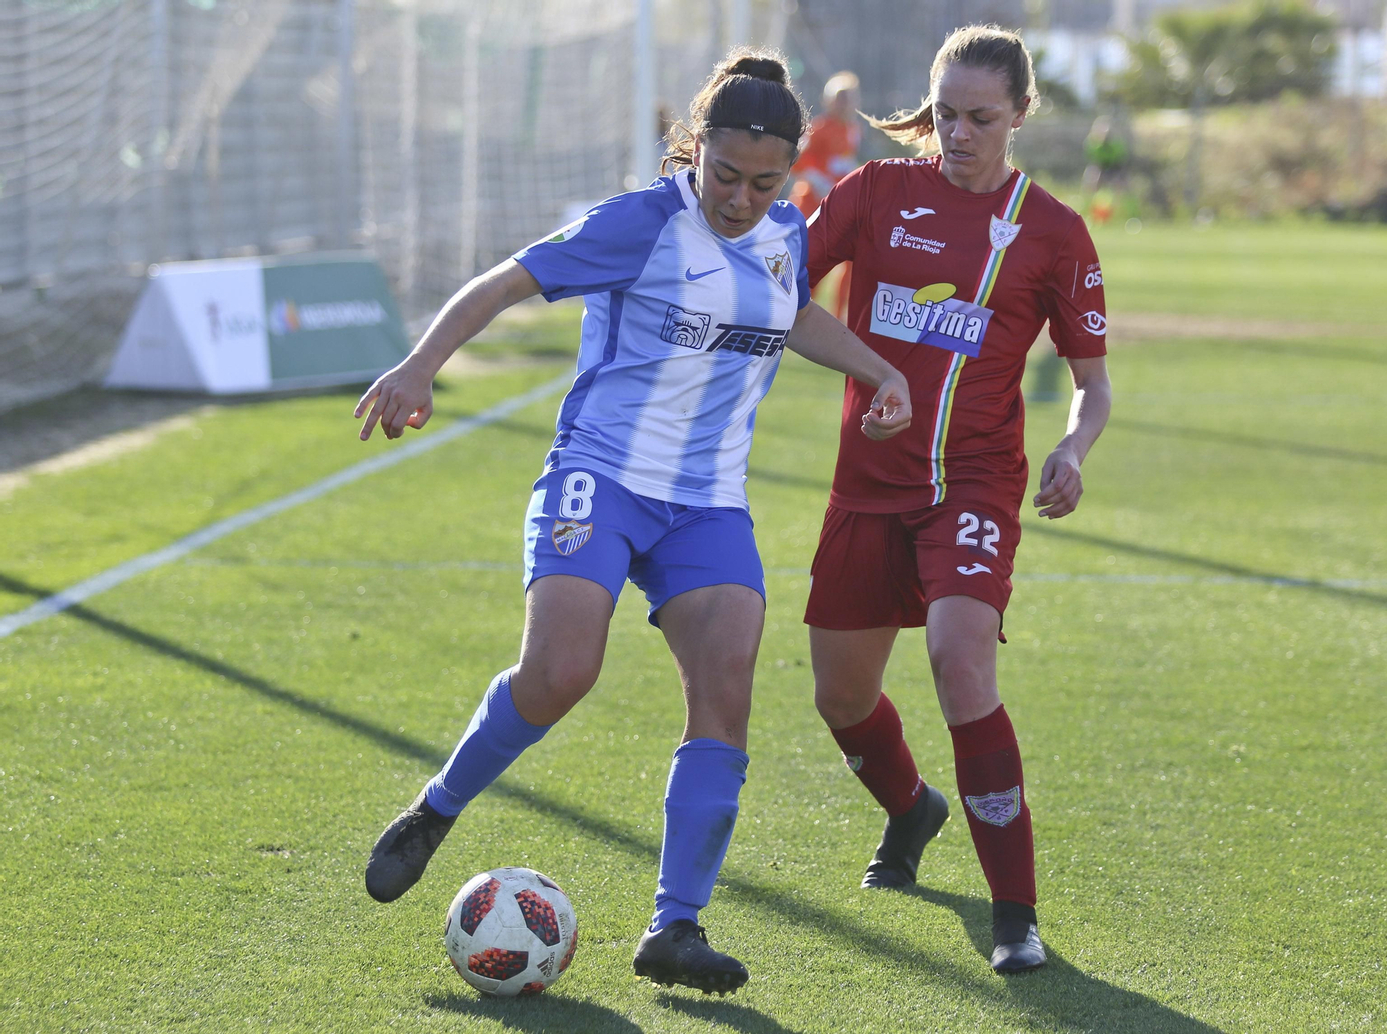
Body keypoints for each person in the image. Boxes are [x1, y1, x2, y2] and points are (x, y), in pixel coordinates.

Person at [354, 51, 911, 995]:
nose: (741, 198)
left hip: (707, 503)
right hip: (601, 478)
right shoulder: (643, 223)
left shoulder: (784, 233)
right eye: (724, 176)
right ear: (694, 150)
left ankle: (676, 927)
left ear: (789, 172)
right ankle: (437, 808)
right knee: (562, 672)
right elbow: (505, 281)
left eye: (764, 182)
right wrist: (420, 365)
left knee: (726, 683)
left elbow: (790, 318)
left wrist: (877, 369)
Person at [800, 26, 1112, 975]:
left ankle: (1015, 914)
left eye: (981, 118)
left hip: (972, 484)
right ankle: (912, 808)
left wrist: (1074, 446)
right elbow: (787, 300)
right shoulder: (876, 195)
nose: (961, 135)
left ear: (1021, 114)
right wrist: (869, 369)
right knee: (840, 696)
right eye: (945, 116)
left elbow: (1094, 386)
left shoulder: (1054, 231)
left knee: (958, 662)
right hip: (865, 486)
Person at [789, 71, 862, 319]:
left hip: (836, 206)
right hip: (810, 205)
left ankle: (840, 317)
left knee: (853, 257)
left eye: (848, 97)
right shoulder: (819, 128)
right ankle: (797, 313)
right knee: (808, 264)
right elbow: (797, 163)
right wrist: (820, 182)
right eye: (839, 97)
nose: (844, 103)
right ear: (828, 100)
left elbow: (841, 163)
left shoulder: (853, 129)